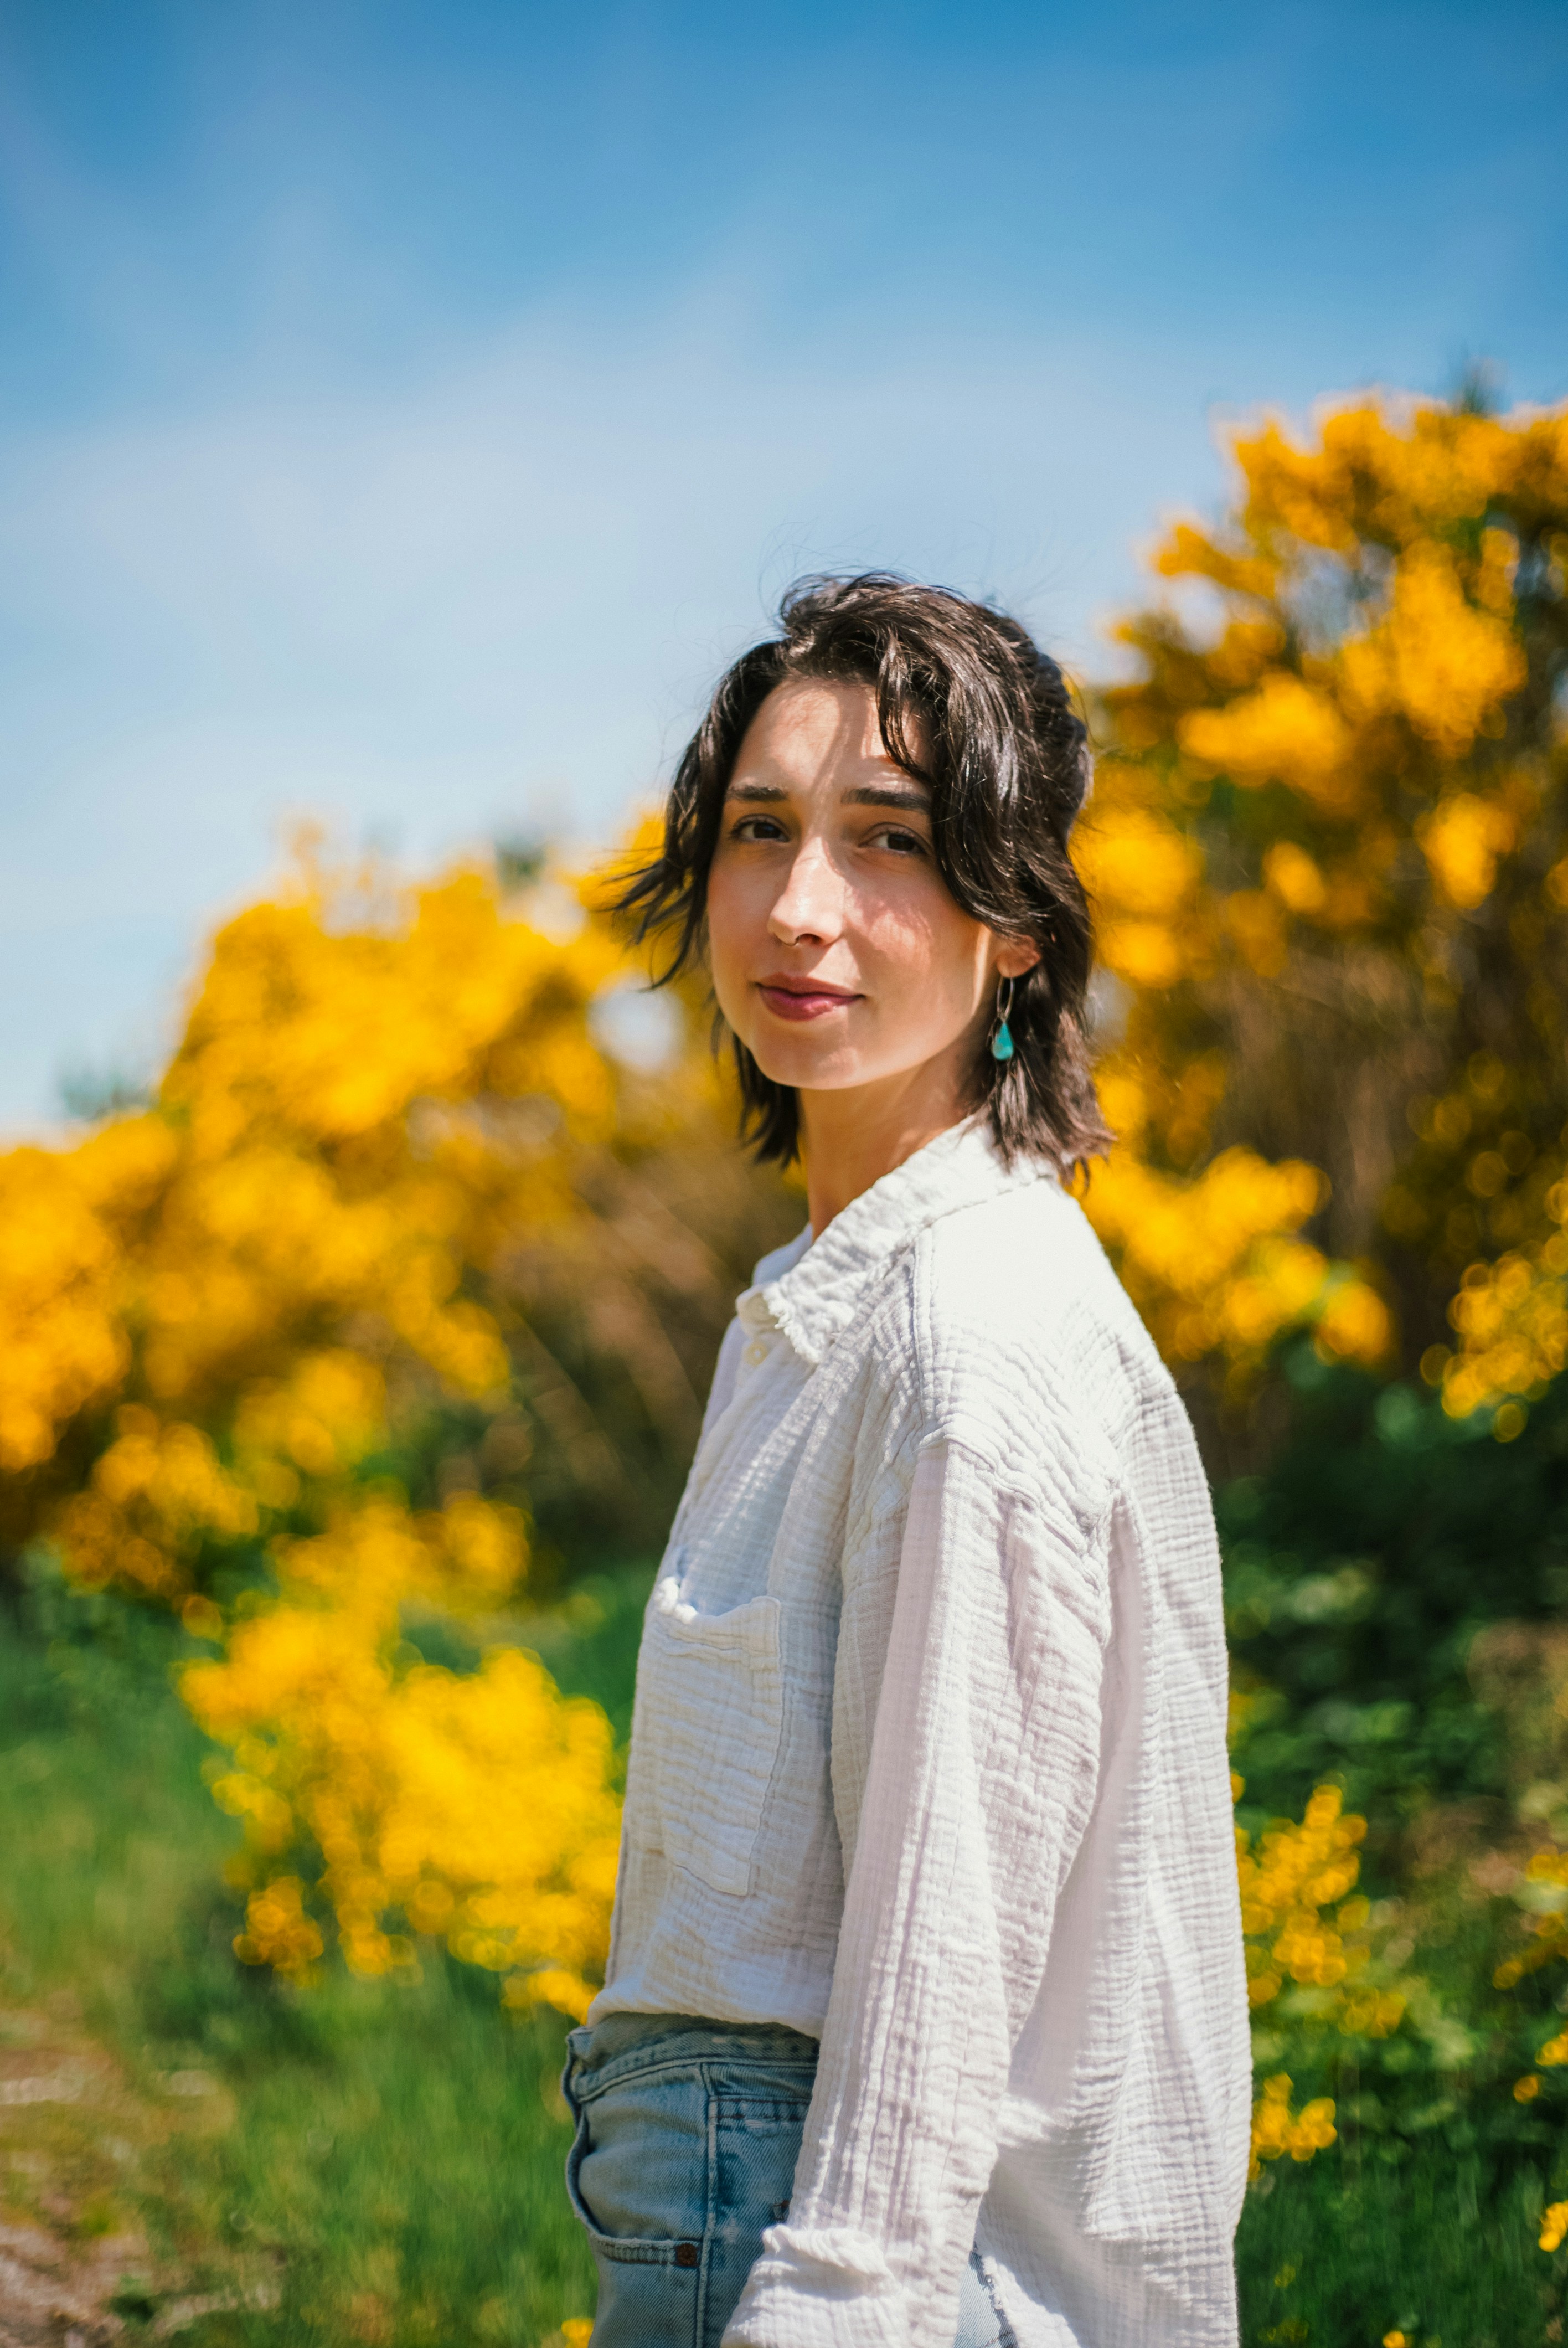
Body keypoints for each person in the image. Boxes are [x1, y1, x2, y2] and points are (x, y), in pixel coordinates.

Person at [561, 575, 1250, 2348]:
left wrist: (833, 2310)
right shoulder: (839, 1302)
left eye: (892, 841)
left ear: (1016, 920)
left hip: (824, 2252)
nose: (800, 910)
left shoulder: (970, 1331)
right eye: (758, 831)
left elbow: (944, 1949)